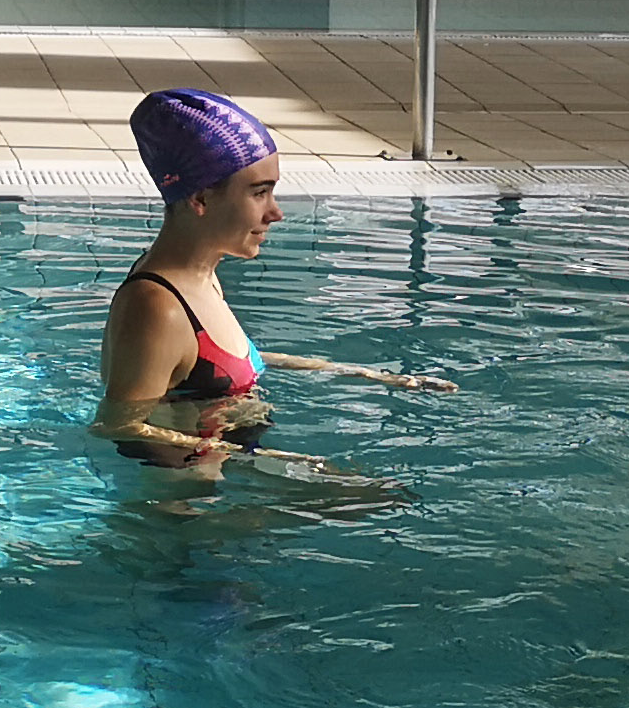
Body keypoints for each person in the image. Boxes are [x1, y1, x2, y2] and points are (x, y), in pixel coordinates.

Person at [93, 87, 452, 471]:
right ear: (200, 199)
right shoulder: (158, 307)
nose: (275, 213)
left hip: (224, 481)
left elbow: (215, 365)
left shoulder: (201, 276)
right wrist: (279, 463)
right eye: (259, 193)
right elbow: (119, 425)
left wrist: (360, 374)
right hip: (187, 508)